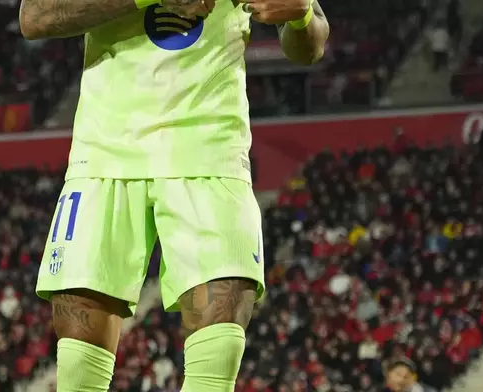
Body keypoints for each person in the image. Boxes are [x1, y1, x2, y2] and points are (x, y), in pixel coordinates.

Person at [19, 0, 329, 390]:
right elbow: (36, 17)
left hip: (210, 151)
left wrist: (298, 15)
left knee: (217, 351)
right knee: (79, 364)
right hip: (104, 157)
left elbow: (311, 42)